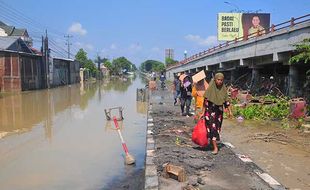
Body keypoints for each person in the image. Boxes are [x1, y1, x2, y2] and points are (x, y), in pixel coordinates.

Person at [201, 73, 232, 155]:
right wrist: (202, 112)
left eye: (221, 80)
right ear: (215, 80)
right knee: (212, 129)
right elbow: (205, 101)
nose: (220, 81)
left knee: (217, 129)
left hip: (219, 113)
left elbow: (226, 101)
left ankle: (212, 143)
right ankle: (215, 148)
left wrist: (230, 112)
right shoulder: (211, 88)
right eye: (218, 80)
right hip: (209, 112)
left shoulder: (223, 89)